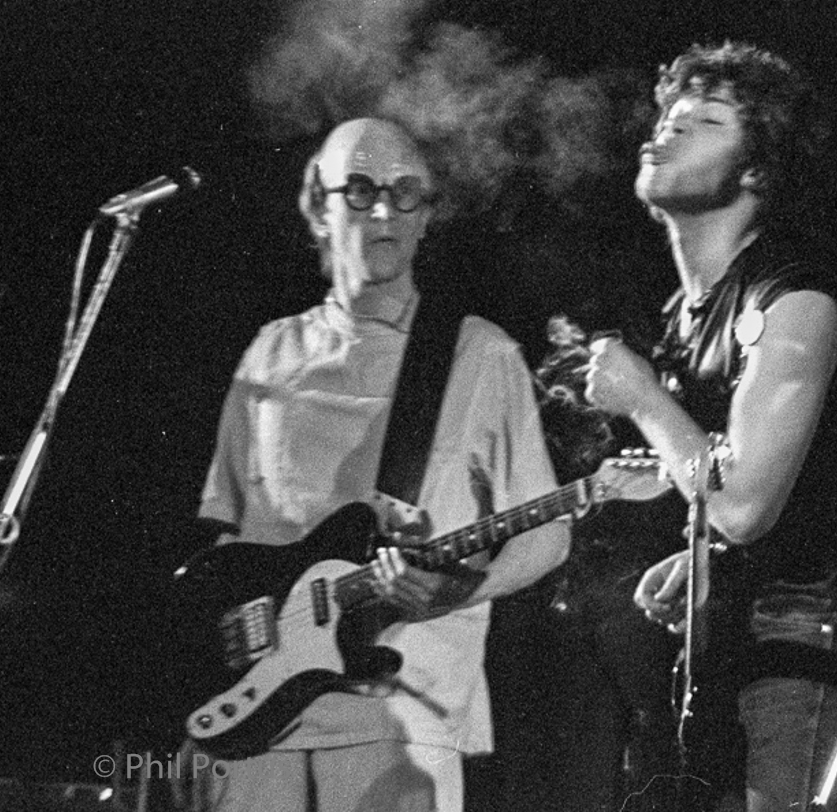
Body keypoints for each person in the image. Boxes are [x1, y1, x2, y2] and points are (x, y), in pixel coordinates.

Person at [195, 117, 570, 812]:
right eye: (362, 190)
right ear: (319, 207)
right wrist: (203, 675)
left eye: (405, 194)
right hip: (252, 724)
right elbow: (227, 539)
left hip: (402, 714)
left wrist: (459, 591)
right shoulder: (270, 351)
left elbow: (547, 534)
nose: (383, 212)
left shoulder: (478, 354)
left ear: (426, 218)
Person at [585, 42, 837, 812]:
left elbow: (741, 504)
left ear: (758, 171)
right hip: (737, 639)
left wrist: (643, 398)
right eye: (667, 118)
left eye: (705, 121)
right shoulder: (687, 314)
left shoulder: (794, 301)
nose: (666, 131)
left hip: (811, 634)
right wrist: (703, 559)